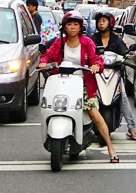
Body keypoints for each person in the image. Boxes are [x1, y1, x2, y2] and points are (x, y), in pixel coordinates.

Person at [38, 11, 119, 162]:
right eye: (69, 24)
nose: (72, 27)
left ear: (81, 27)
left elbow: (96, 59)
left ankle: (110, 148)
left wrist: (95, 65)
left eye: (76, 24)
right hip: (61, 83)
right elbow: (48, 56)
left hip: (83, 85)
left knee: (94, 114)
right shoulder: (59, 42)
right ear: (64, 27)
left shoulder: (87, 42)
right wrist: (43, 61)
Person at [91, 9, 136, 141]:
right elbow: (87, 52)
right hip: (95, 73)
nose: (101, 24)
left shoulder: (116, 39)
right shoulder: (93, 39)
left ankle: (132, 128)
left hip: (114, 73)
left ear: (110, 23)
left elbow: (124, 51)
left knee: (123, 97)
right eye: (99, 21)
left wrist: (127, 56)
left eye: (104, 21)